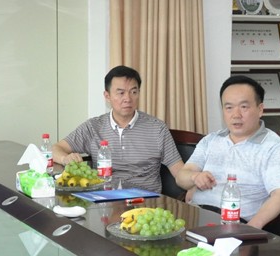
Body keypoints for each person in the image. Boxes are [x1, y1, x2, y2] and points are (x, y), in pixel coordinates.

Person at [173, 75, 280, 229]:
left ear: (260, 109)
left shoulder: (274, 146)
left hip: (236, 223)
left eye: (244, 107)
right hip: (196, 216)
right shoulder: (211, 140)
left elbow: (279, 196)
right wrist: (195, 177)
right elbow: (181, 177)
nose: (236, 115)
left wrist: (249, 230)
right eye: (229, 107)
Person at [52, 65, 185, 194]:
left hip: (144, 201)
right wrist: (65, 159)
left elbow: (180, 171)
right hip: (104, 199)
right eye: (121, 93)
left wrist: (192, 185)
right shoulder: (93, 127)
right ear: (107, 96)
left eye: (133, 92)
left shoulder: (157, 129)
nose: (128, 99)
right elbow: (54, 149)